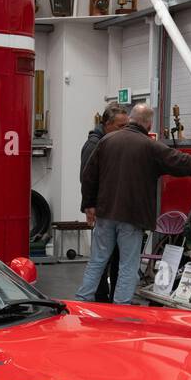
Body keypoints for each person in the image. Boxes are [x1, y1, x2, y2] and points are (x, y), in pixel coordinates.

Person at [77, 102, 191, 305]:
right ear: (149, 125)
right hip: (131, 217)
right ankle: (121, 309)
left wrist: (89, 205)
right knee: (128, 265)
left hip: (105, 214)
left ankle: (81, 302)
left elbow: (89, 176)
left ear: (131, 119)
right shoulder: (151, 147)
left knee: (97, 261)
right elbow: (185, 162)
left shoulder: (107, 141)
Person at [79, 104, 130, 302]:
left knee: (113, 257)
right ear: (107, 124)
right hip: (103, 211)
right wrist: (89, 206)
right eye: (120, 126)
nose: (124, 130)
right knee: (102, 259)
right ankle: (100, 298)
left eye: (127, 126)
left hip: (112, 210)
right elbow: (87, 177)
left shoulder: (110, 141)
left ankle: (110, 297)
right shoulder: (94, 145)